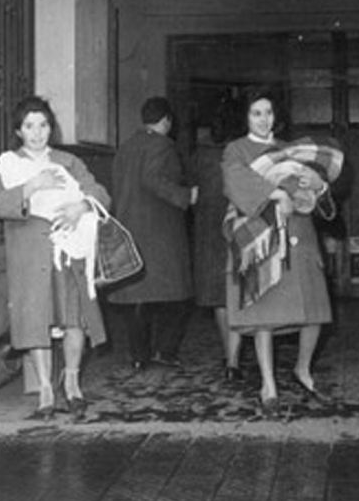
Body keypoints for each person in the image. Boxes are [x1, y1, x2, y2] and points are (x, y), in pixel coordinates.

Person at [0, 95, 111, 421]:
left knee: (73, 317)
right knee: (36, 319)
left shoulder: (68, 161)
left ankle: (71, 381)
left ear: (50, 128)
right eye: (29, 126)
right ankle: (44, 388)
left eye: (43, 125)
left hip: (67, 251)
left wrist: (81, 206)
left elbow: (100, 192)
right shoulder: (8, 165)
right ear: (19, 130)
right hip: (29, 252)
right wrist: (29, 187)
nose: (37, 133)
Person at [221, 86, 334, 413]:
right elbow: (234, 182)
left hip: (299, 234)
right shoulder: (236, 150)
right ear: (246, 116)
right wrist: (275, 194)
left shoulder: (290, 149)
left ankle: (303, 368)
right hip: (261, 239)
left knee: (313, 310)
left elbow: (314, 190)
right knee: (265, 314)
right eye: (256, 113)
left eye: (268, 112)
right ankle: (268, 382)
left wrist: (317, 185)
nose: (263, 119)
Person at [107, 97, 197, 370]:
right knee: (179, 296)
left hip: (129, 230)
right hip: (160, 232)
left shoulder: (125, 148)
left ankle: (138, 356)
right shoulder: (163, 145)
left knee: (137, 296)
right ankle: (165, 351)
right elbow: (152, 178)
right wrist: (186, 195)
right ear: (166, 120)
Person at [191, 92, 244, 380]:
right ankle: (247, 355)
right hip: (242, 227)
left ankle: (231, 360)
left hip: (210, 231)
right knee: (245, 292)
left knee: (220, 298)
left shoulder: (201, 155)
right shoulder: (247, 153)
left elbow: (192, 191)